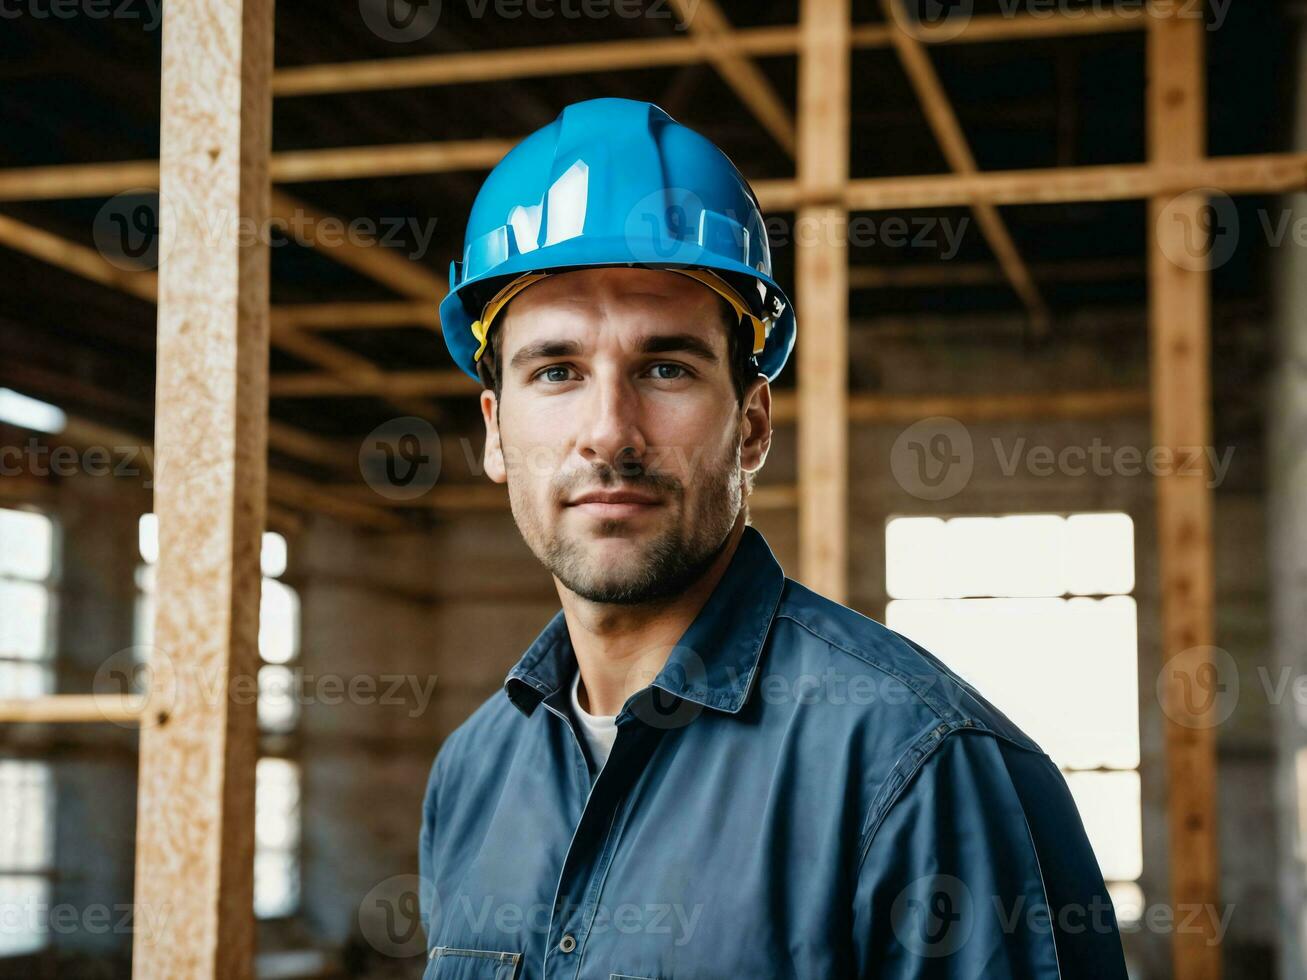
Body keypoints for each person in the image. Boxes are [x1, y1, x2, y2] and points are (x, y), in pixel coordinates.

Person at [419, 97, 1127, 979]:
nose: (608, 430)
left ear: (751, 425)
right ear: (494, 431)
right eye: (556, 370)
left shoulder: (919, 767)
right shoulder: (472, 775)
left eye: (665, 367)